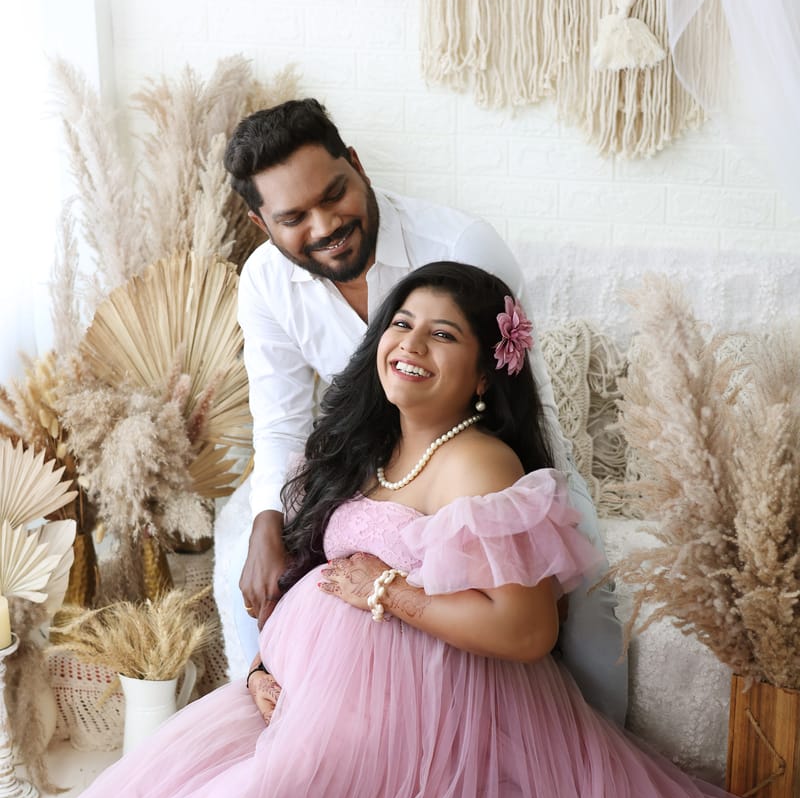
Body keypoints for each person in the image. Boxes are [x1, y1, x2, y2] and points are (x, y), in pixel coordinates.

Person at [2, 262, 799, 798]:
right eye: (402, 324)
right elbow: (313, 578)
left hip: (419, 725)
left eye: (443, 336)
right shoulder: (367, 449)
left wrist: (391, 593)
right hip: (305, 700)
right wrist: (259, 667)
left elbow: (525, 630)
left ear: (488, 372)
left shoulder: (479, 463)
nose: (411, 345)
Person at [224, 99, 628, 725]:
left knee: (592, 615)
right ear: (261, 223)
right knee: (242, 561)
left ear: (356, 164)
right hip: (370, 458)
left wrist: (506, 530)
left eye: (335, 195)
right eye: (294, 217)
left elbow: (518, 393)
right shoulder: (264, 282)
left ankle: (597, 762)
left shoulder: (461, 244)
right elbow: (280, 422)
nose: (326, 224)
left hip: (482, 453)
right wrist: (268, 523)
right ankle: (270, 700)